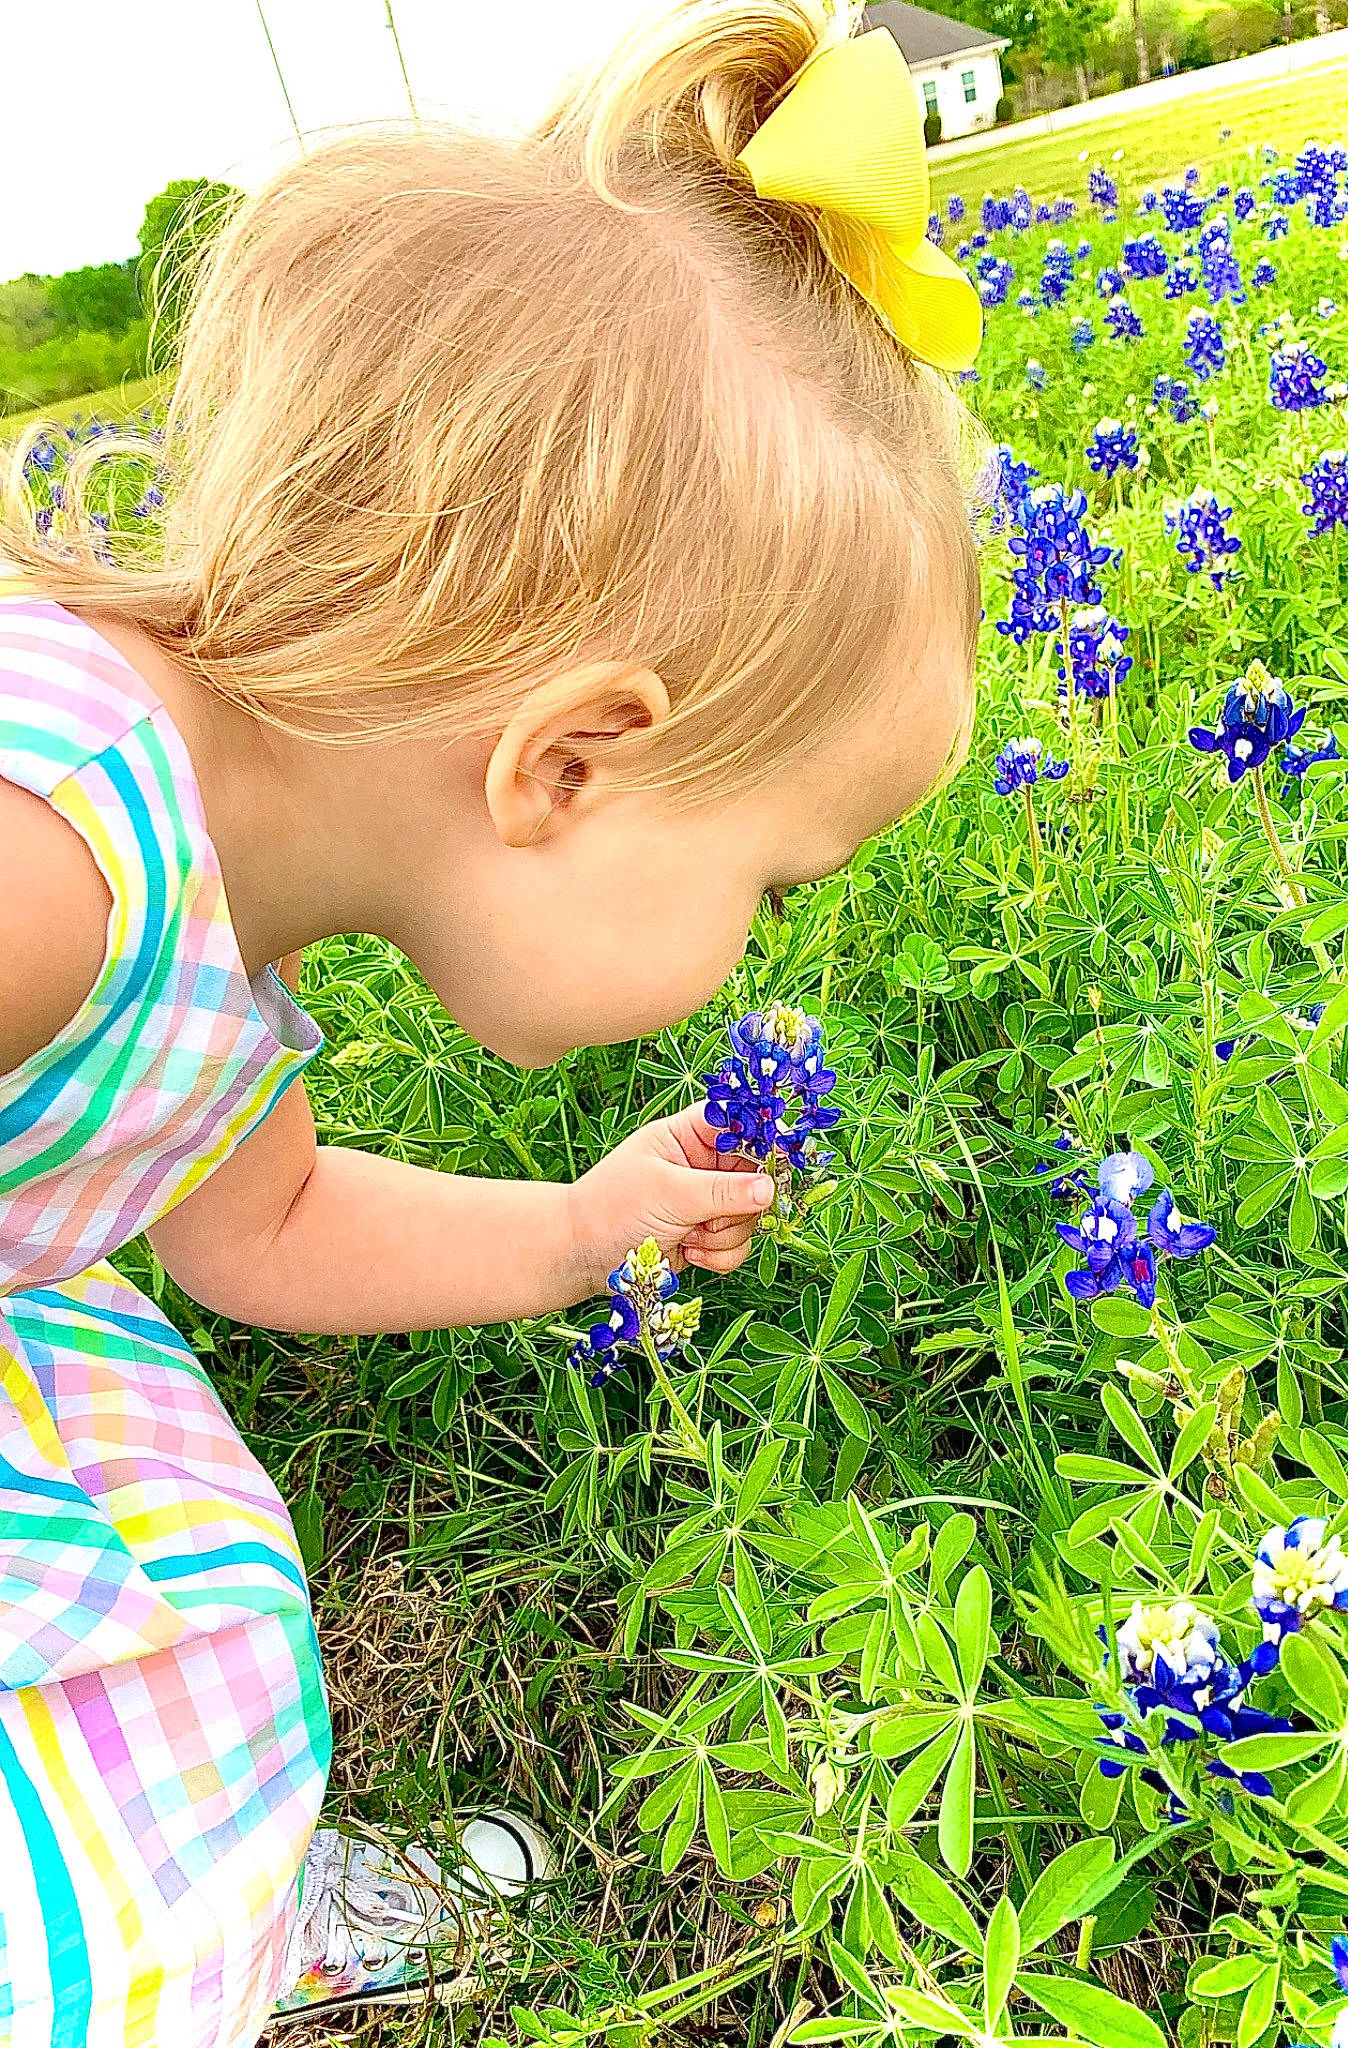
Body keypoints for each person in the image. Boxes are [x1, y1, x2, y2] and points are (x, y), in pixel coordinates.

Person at [0, 0, 984, 2038]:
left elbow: (248, 1223)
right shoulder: (54, 853)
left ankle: (207, 1901)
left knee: (205, 1594)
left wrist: (567, 1226)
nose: (764, 940)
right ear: (566, 766)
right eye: (771, 878)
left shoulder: (222, 900)